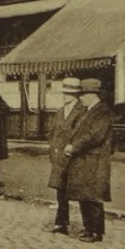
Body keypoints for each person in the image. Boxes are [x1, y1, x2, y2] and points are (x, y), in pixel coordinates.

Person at [63, 77, 114, 243]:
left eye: (83, 95)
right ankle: (88, 228)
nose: (81, 98)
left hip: (95, 160)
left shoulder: (102, 112)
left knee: (93, 196)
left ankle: (96, 232)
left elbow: (94, 136)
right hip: (84, 159)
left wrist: (74, 146)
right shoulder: (87, 111)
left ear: (92, 94)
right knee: (83, 194)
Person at [45, 75, 87, 234]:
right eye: (63, 92)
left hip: (74, 157)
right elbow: (54, 131)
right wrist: (52, 147)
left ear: (76, 95)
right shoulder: (60, 111)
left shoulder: (82, 111)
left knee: (81, 192)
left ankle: (88, 226)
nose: (64, 96)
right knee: (60, 192)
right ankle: (61, 223)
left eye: (68, 93)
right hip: (59, 156)